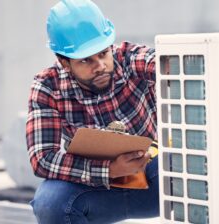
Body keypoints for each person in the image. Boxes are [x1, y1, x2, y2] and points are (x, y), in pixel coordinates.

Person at [25, 0, 158, 223]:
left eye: (103, 53)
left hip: (152, 177)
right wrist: (109, 170)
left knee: (202, 172)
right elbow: (42, 158)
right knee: (50, 203)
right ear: (64, 63)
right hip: (94, 190)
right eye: (86, 60)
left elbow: (169, 64)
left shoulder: (129, 59)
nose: (100, 65)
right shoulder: (48, 86)